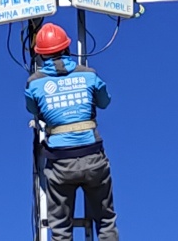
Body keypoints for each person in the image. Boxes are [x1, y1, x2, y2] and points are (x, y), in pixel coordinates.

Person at [25, 22, 119, 241]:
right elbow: (105, 102)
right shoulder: (89, 75)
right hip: (93, 157)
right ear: (67, 48)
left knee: (60, 229)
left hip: (60, 162)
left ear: (41, 55)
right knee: (105, 221)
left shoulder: (34, 84)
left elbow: (33, 110)